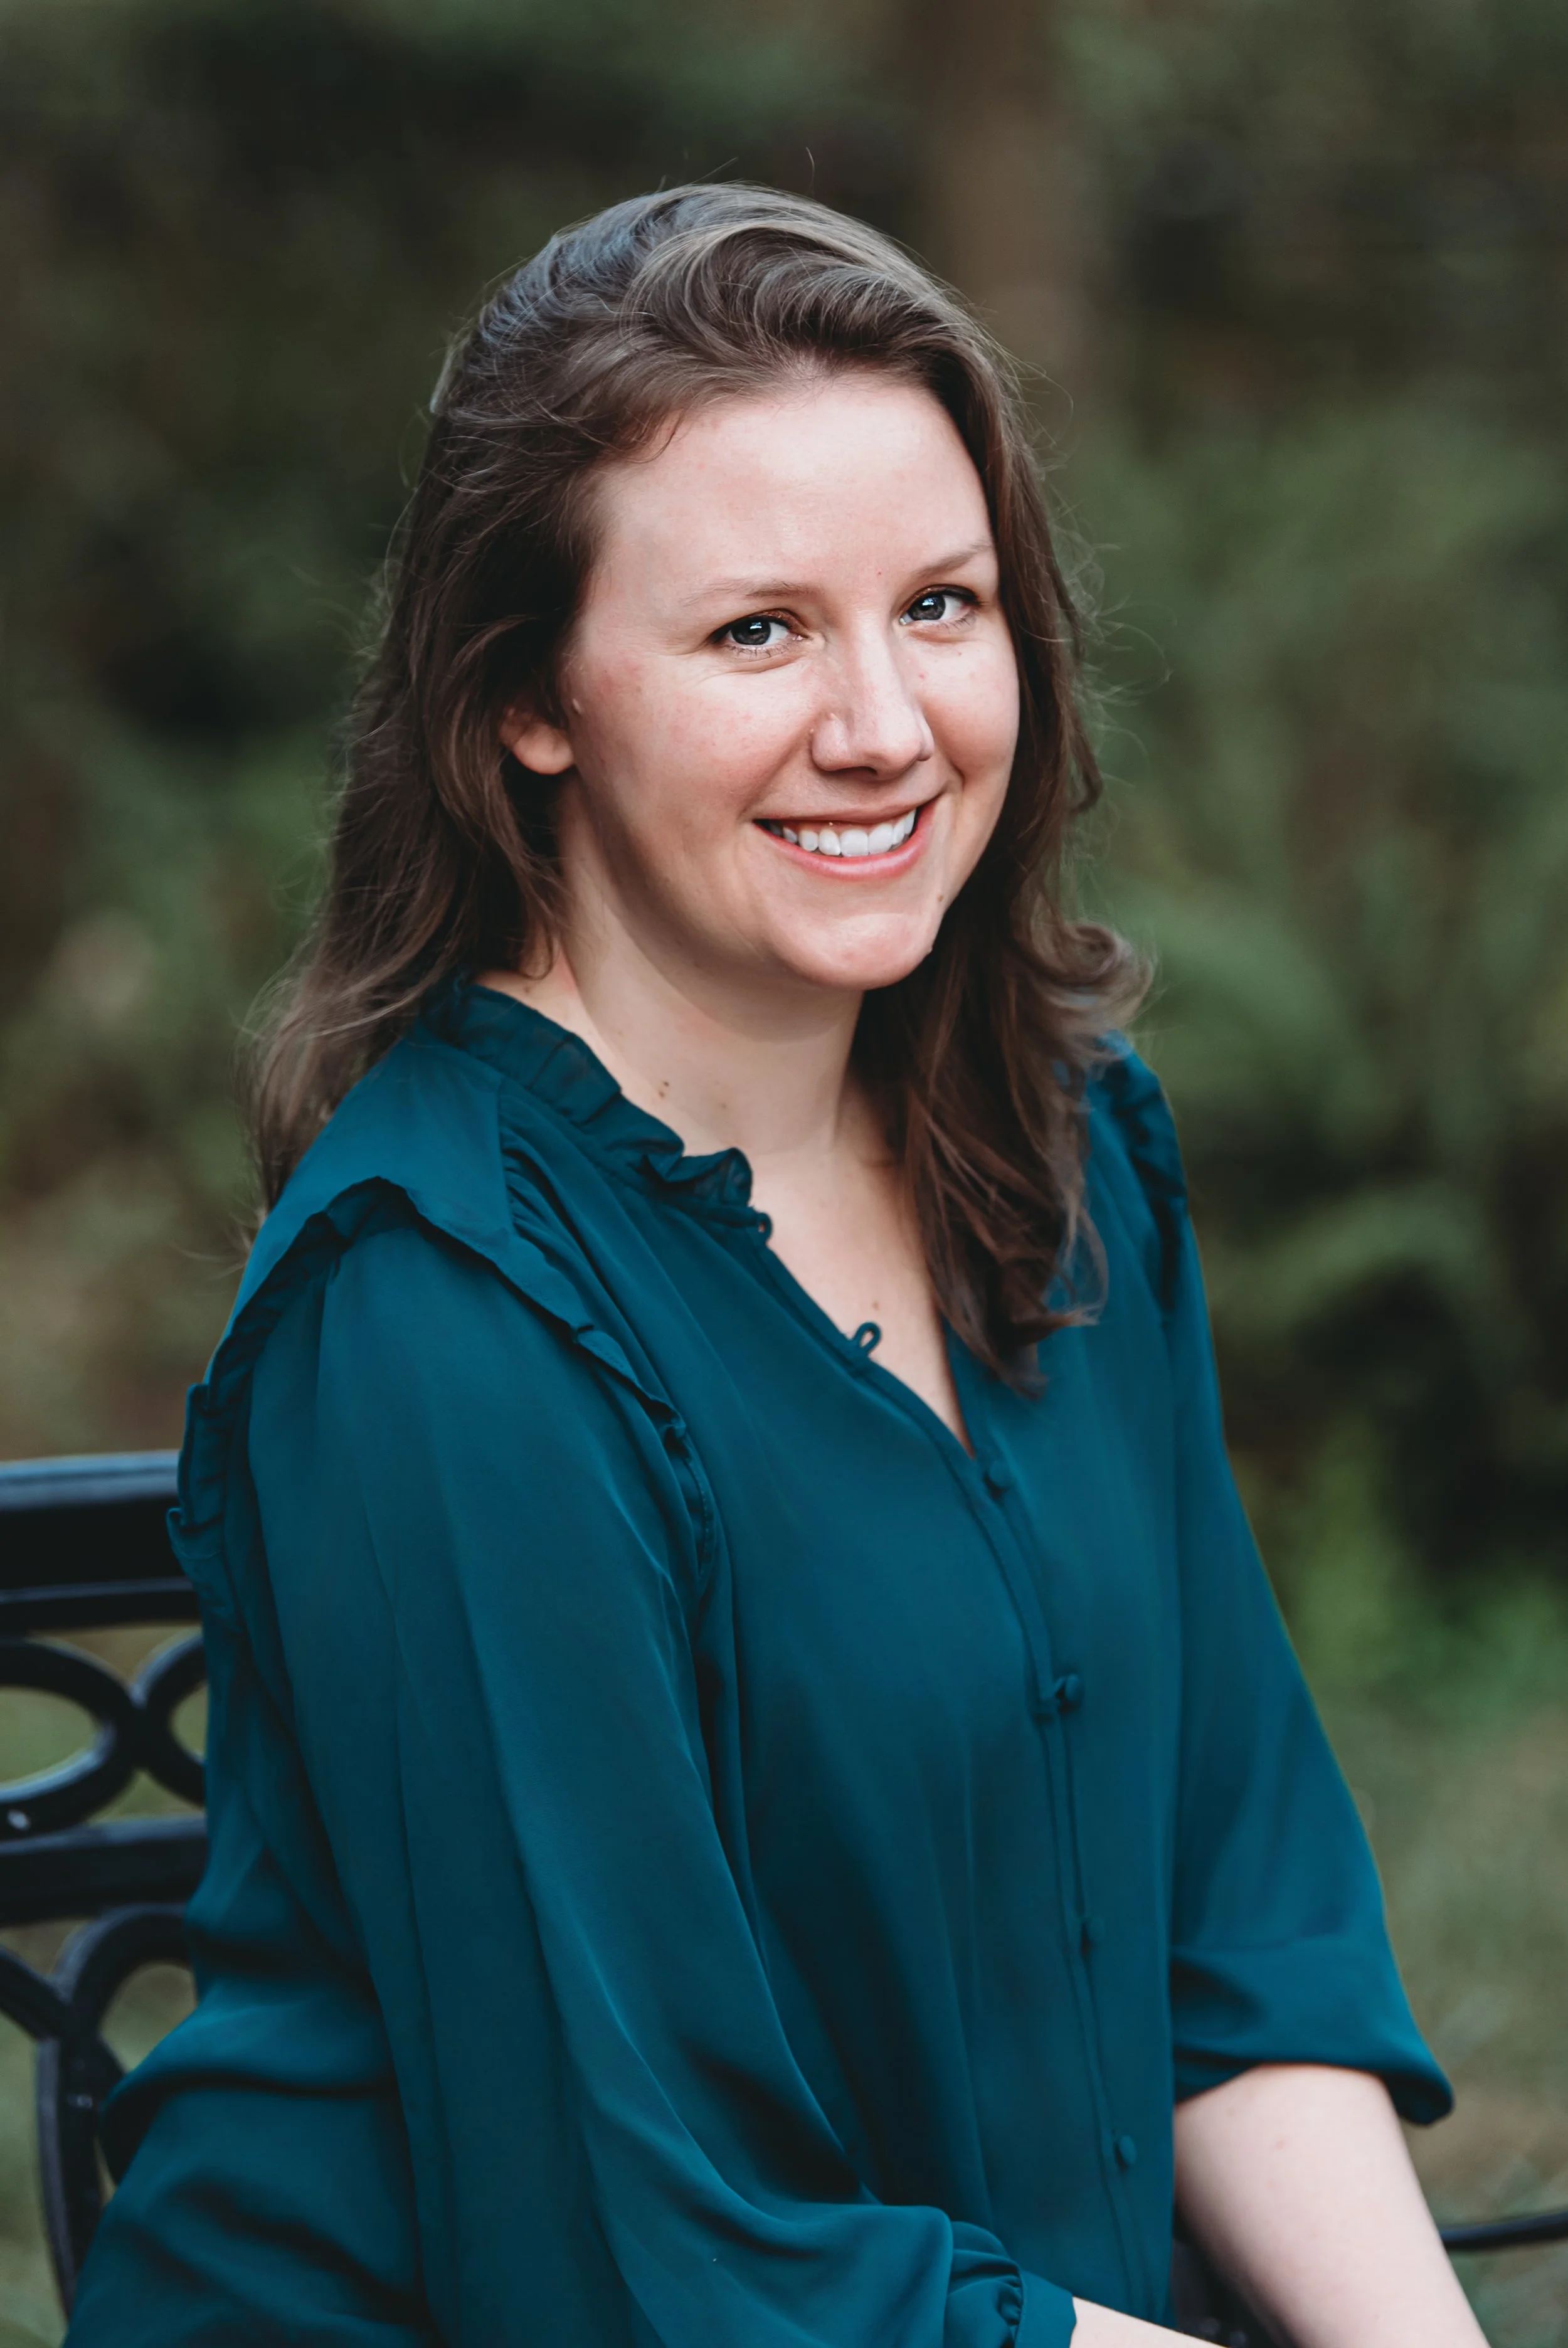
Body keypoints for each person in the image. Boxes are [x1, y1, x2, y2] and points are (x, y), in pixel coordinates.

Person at [66, 184, 1484, 2348]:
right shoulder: (441, 1314)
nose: (886, 727)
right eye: (757, 633)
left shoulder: (1069, 1146)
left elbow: (1226, 1915)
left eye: (940, 604)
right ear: (527, 698)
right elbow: (660, 2263)